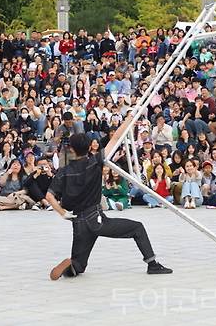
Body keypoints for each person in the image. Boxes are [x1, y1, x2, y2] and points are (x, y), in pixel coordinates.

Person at [45, 117, 172, 279]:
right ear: (89, 147)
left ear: (71, 149)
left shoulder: (64, 171)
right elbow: (117, 138)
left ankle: (71, 267)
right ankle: (152, 265)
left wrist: (63, 213)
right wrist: (128, 121)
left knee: (79, 266)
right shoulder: (95, 162)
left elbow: (49, 196)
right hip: (96, 220)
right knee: (137, 228)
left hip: (78, 222)